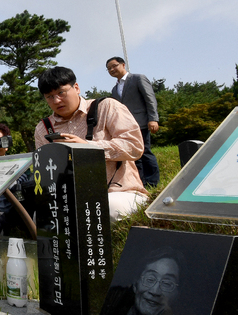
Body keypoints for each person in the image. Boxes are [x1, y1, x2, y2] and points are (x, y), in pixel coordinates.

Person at [34, 66, 149, 222]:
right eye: (49, 96)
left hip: (119, 192)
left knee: (108, 210)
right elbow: (44, 172)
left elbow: (134, 146)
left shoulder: (107, 107)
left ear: (76, 87)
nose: (56, 100)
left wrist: (88, 147)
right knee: (42, 218)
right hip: (71, 198)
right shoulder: (43, 128)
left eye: (61, 92)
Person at [96, 247, 184, 315]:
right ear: (135, 284)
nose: (155, 291)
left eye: (167, 283)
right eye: (150, 279)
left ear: (177, 294)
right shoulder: (108, 314)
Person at [107, 57, 160, 187]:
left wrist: (153, 119)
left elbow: (150, 98)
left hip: (141, 122)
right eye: (109, 69)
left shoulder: (138, 78)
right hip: (126, 126)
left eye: (114, 66)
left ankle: (153, 182)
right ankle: (141, 182)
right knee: (134, 155)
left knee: (145, 151)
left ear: (123, 64)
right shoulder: (115, 89)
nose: (112, 70)